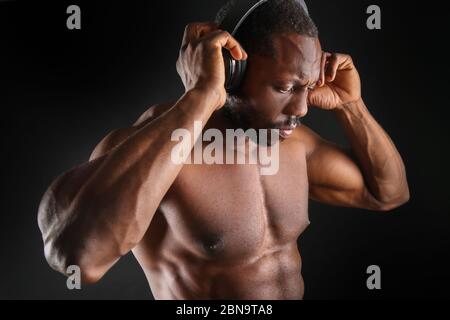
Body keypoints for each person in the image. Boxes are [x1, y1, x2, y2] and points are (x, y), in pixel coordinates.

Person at [38, 0, 409, 299]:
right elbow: (79, 260)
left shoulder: (295, 144)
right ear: (233, 71)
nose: (301, 109)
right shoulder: (153, 149)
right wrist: (199, 97)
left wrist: (351, 106)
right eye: (284, 88)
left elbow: (387, 194)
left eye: (306, 87)